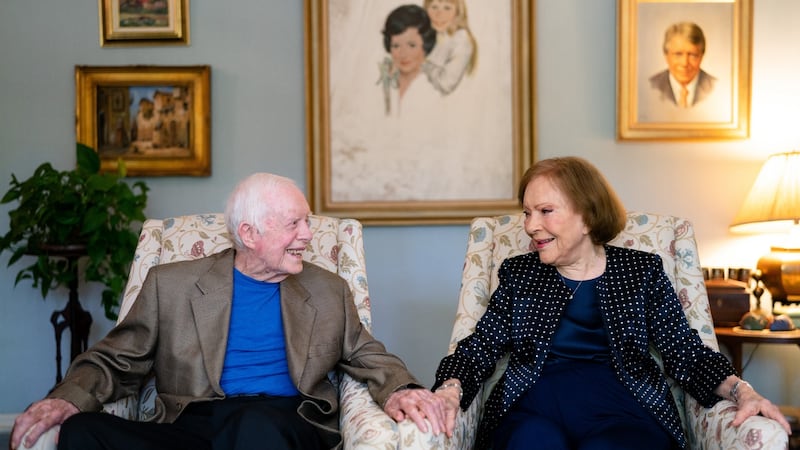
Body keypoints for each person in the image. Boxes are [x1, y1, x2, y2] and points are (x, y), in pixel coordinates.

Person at [10, 173, 449, 450]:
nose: (309, 235)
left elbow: (368, 354)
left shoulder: (326, 288)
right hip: (192, 422)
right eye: (294, 223)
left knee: (253, 426)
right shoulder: (173, 284)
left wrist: (399, 389)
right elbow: (115, 359)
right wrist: (65, 400)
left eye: (308, 222)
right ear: (249, 233)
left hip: (281, 420)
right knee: (84, 434)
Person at [431, 157, 792, 449]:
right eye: (527, 213)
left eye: (545, 211)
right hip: (533, 409)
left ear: (587, 216)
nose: (529, 226)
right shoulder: (520, 273)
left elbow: (686, 353)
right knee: (533, 442)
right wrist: (450, 390)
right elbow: (478, 348)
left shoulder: (640, 271)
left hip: (624, 411)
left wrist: (742, 390)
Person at [377, 4, 438, 116]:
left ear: (425, 45)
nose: (403, 54)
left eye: (411, 45)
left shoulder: (435, 88)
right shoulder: (384, 84)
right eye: (396, 46)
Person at [649, 21, 716, 108]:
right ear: (666, 55)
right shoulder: (651, 86)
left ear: (701, 56)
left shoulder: (716, 88)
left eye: (692, 55)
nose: (684, 63)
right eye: (678, 54)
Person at [422, 0, 478, 95]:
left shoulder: (461, 41)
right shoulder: (434, 35)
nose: (439, 14)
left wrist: (421, 66)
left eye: (447, 8)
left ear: (458, 13)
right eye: (434, 7)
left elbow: (445, 85)